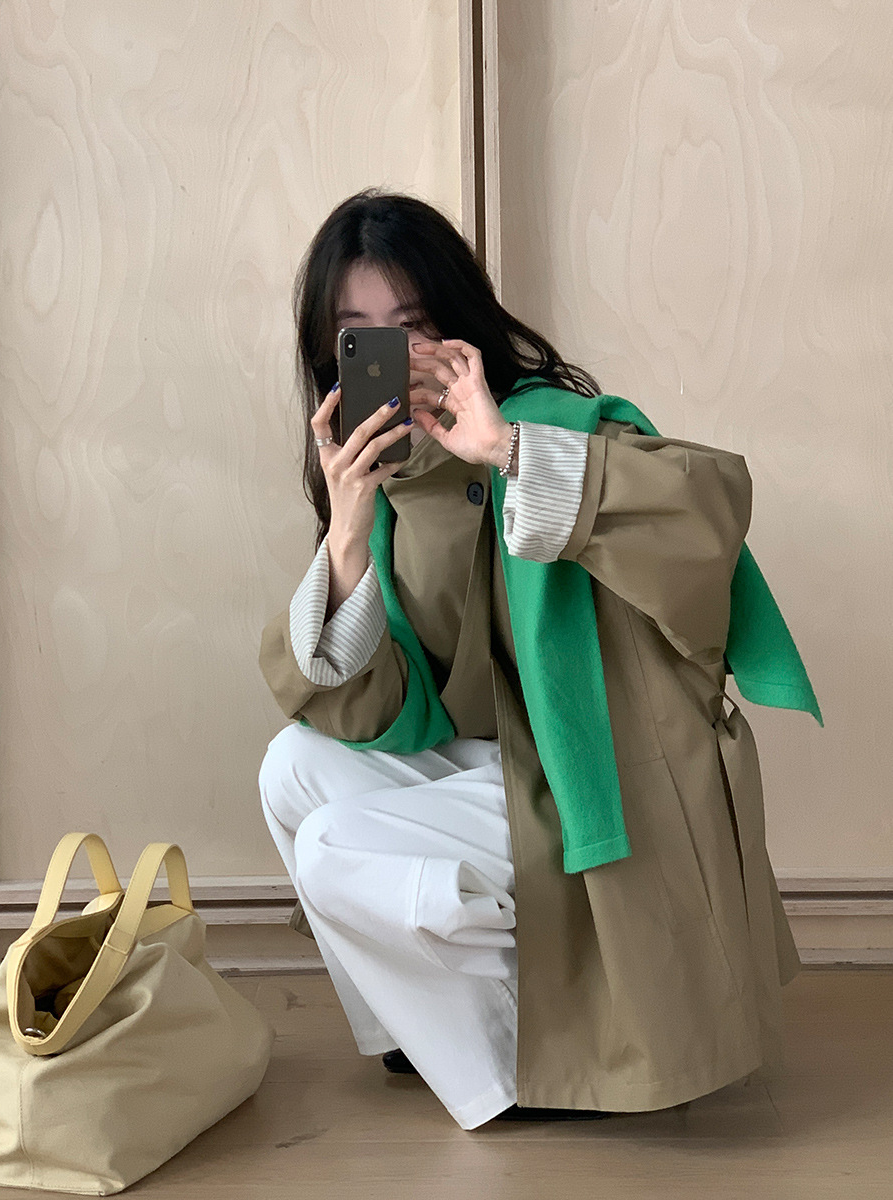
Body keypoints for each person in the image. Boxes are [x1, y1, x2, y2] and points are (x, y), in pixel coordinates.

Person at [257, 189, 820, 1130]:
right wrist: (347, 534)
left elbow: (708, 514)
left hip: (599, 775)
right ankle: (409, 1030)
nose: (392, 357)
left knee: (333, 848)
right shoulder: (388, 489)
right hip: (501, 770)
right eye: (360, 336)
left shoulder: (558, 423)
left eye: (414, 326)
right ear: (330, 357)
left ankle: (500, 1082)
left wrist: (508, 448)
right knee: (291, 770)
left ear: (460, 327)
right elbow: (385, 709)